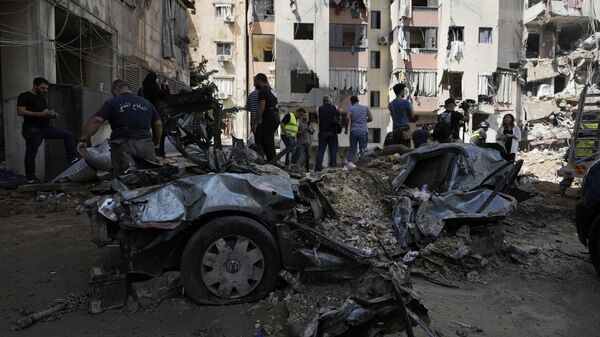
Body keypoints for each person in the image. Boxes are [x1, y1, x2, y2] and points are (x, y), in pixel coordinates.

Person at [77, 79, 163, 176]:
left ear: (115, 90)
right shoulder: (147, 103)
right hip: (146, 145)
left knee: (125, 179)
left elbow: (96, 120)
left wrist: (83, 139)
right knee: (149, 176)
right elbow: (158, 124)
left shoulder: (113, 102)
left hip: (124, 146)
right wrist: (156, 144)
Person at [17, 77, 79, 183]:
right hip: (32, 130)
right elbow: (20, 111)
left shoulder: (42, 98)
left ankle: (71, 157)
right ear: (35, 86)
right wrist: (40, 114)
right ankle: (31, 178)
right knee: (31, 153)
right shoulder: (25, 96)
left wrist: (52, 114)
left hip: (45, 128)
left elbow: (45, 112)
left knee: (68, 134)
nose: (45, 90)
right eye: (43, 88)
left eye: (46, 89)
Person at [138, 73, 170, 156]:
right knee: (159, 134)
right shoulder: (156, 90)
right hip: (156, 115)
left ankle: (147, 154)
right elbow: (166, 96)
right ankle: (158, 152)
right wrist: (165, 86)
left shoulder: (141, 90)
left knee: (146, 136)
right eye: (156, 79)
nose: (157, 81)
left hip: (144, 115)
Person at [252, 73, 279, 161]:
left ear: (260, 81)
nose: (254, 84)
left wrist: (255, 122)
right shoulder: (272, 91)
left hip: (269, 117)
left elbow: (261, 108)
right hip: (275, 117)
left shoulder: (263, 91)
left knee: (264, 138)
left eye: (255, 82)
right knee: (269, 139)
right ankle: (273, 159)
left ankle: (272, 160)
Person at [314, 96, 341, 171]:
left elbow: (316, 120)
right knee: (333, 150)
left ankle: (318, 167)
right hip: (333, 132)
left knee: (321, 150)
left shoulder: (318, 108)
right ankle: (333, 167)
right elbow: (339, 117)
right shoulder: (335, 107)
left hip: (322, 132)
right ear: (330, 101)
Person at [345, 95, 372, 169]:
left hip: (353, 131)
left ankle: (349, 164)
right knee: (363, 149)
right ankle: (362, 165)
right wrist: (363, 121)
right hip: (363, 131)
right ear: (358, 100)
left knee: (352, 148)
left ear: (351, 102)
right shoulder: (365, 107)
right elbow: (371, 118)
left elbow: (347, 118)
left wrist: (346, 129)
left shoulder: (350, 108)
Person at [246, 78, 262, 155]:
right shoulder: (263, 94)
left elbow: (247, 108)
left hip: (253, 121)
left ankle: (258, 157)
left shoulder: (251, 95)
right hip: (262, 121)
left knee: (257, 141)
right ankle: (261, 157)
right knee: (263, 142)